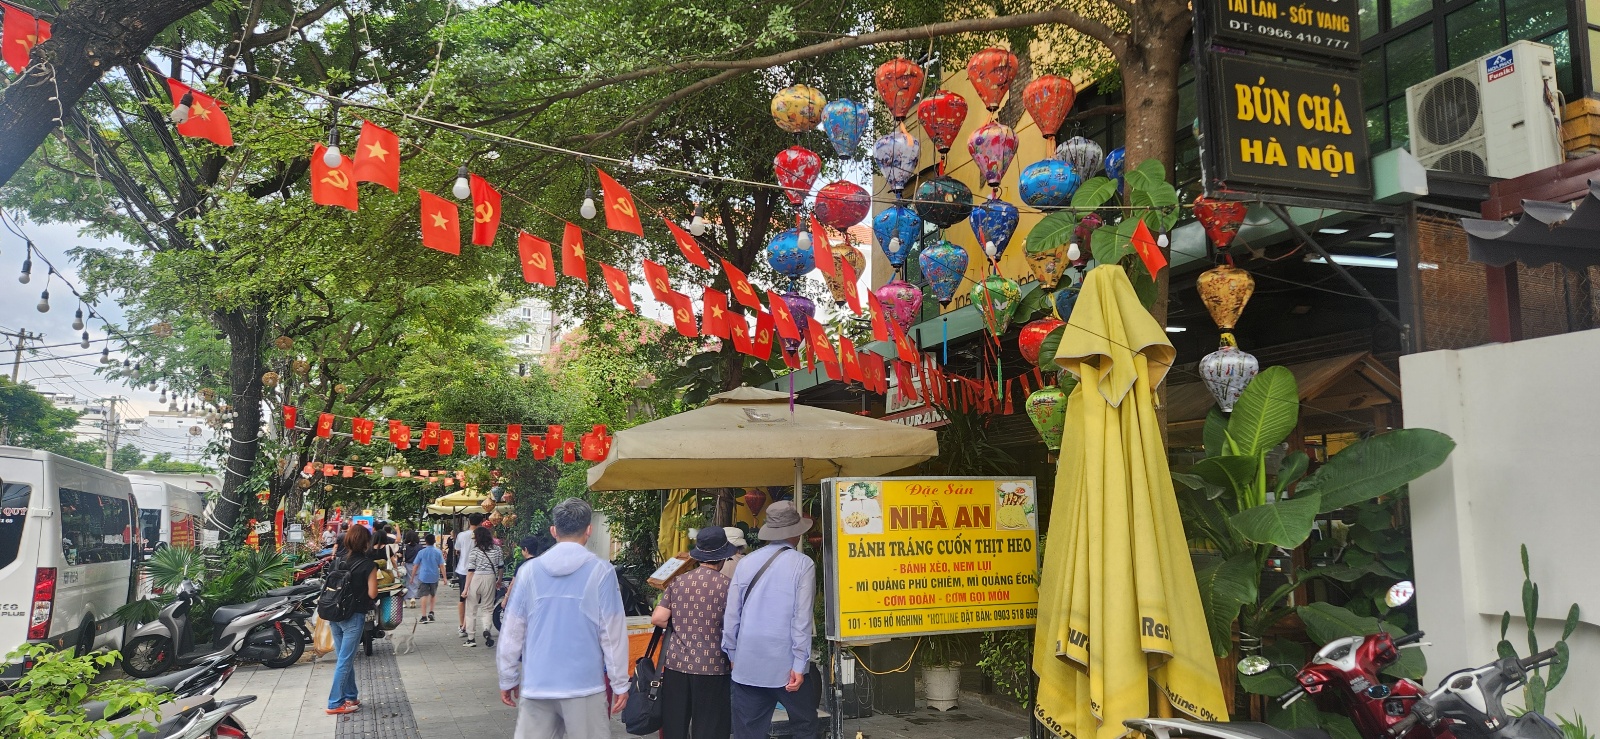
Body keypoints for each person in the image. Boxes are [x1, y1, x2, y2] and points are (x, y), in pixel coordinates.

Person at [498, 498, 629, 739]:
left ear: (553, 531)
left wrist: (508, 676)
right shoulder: (601, 571)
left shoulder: (528, 571)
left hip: (538, 683)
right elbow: (613, 633)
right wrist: (619, 682)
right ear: (589, 530)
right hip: (584, 685)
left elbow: (512, 629)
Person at [721, 501, 817, 739]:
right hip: (786, 663)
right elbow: (802, 619)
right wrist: (799, 665)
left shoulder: (745, 562)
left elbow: (732, 614)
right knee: (804, 727)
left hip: (748, 660)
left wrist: (732, 654)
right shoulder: (803, 564)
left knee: (747, 731)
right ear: (795, 532)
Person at [651, 528, 735, 739]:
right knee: (711, 729)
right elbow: (733, 627)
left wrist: (682, 622)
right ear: (723, 558)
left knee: (675, 726)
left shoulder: (678, 582)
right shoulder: (728, 586)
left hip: (677, 665)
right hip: (713, 666)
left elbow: (658, 618)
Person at [326, 524, 380, 716]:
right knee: (345, 661)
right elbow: (372, 593)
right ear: (366, 543)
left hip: (334, 614)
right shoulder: (369, 565)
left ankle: (350, 696)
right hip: (354, 615)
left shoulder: (337, 561)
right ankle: (334, 703)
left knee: (343, 658)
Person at [463, 525, 504, 647]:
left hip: (476, 578)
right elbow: (501, 567)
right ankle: (486, 629)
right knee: (487, 608)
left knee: (471, 609)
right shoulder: (497, 549)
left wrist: (466, 588)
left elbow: (471, 570)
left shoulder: (474, 551)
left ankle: (471, 638)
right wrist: (499, 579)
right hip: (490, 578)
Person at [456, 512, 486, 638]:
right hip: (476, 571)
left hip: (462, 570)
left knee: (462, 598)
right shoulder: (481, 536)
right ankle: (465, 626)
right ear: (481, 522)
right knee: (472, 600)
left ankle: (462, 625)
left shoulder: (461, 535)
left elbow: (457, 550)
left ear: (469, 521)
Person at [411, 533, 446, 623]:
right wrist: (445, 578)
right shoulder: (438, 552)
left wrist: (412, 577)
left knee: (424, 595)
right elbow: (442, 565)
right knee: (433, 594)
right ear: (434, 541)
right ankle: (431, 612)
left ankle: (424, 616)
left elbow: (415, 565)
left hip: (423, 576)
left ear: (425, 542)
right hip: (434, 576)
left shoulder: (421, 552)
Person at [402, 531, 422, 606]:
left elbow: (400, 555)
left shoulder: (405, 547)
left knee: (406, 582)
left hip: (407, 565)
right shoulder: (419, 547)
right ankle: (413, 597)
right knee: (415, 581)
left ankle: (405, 600)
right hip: (418, 565)